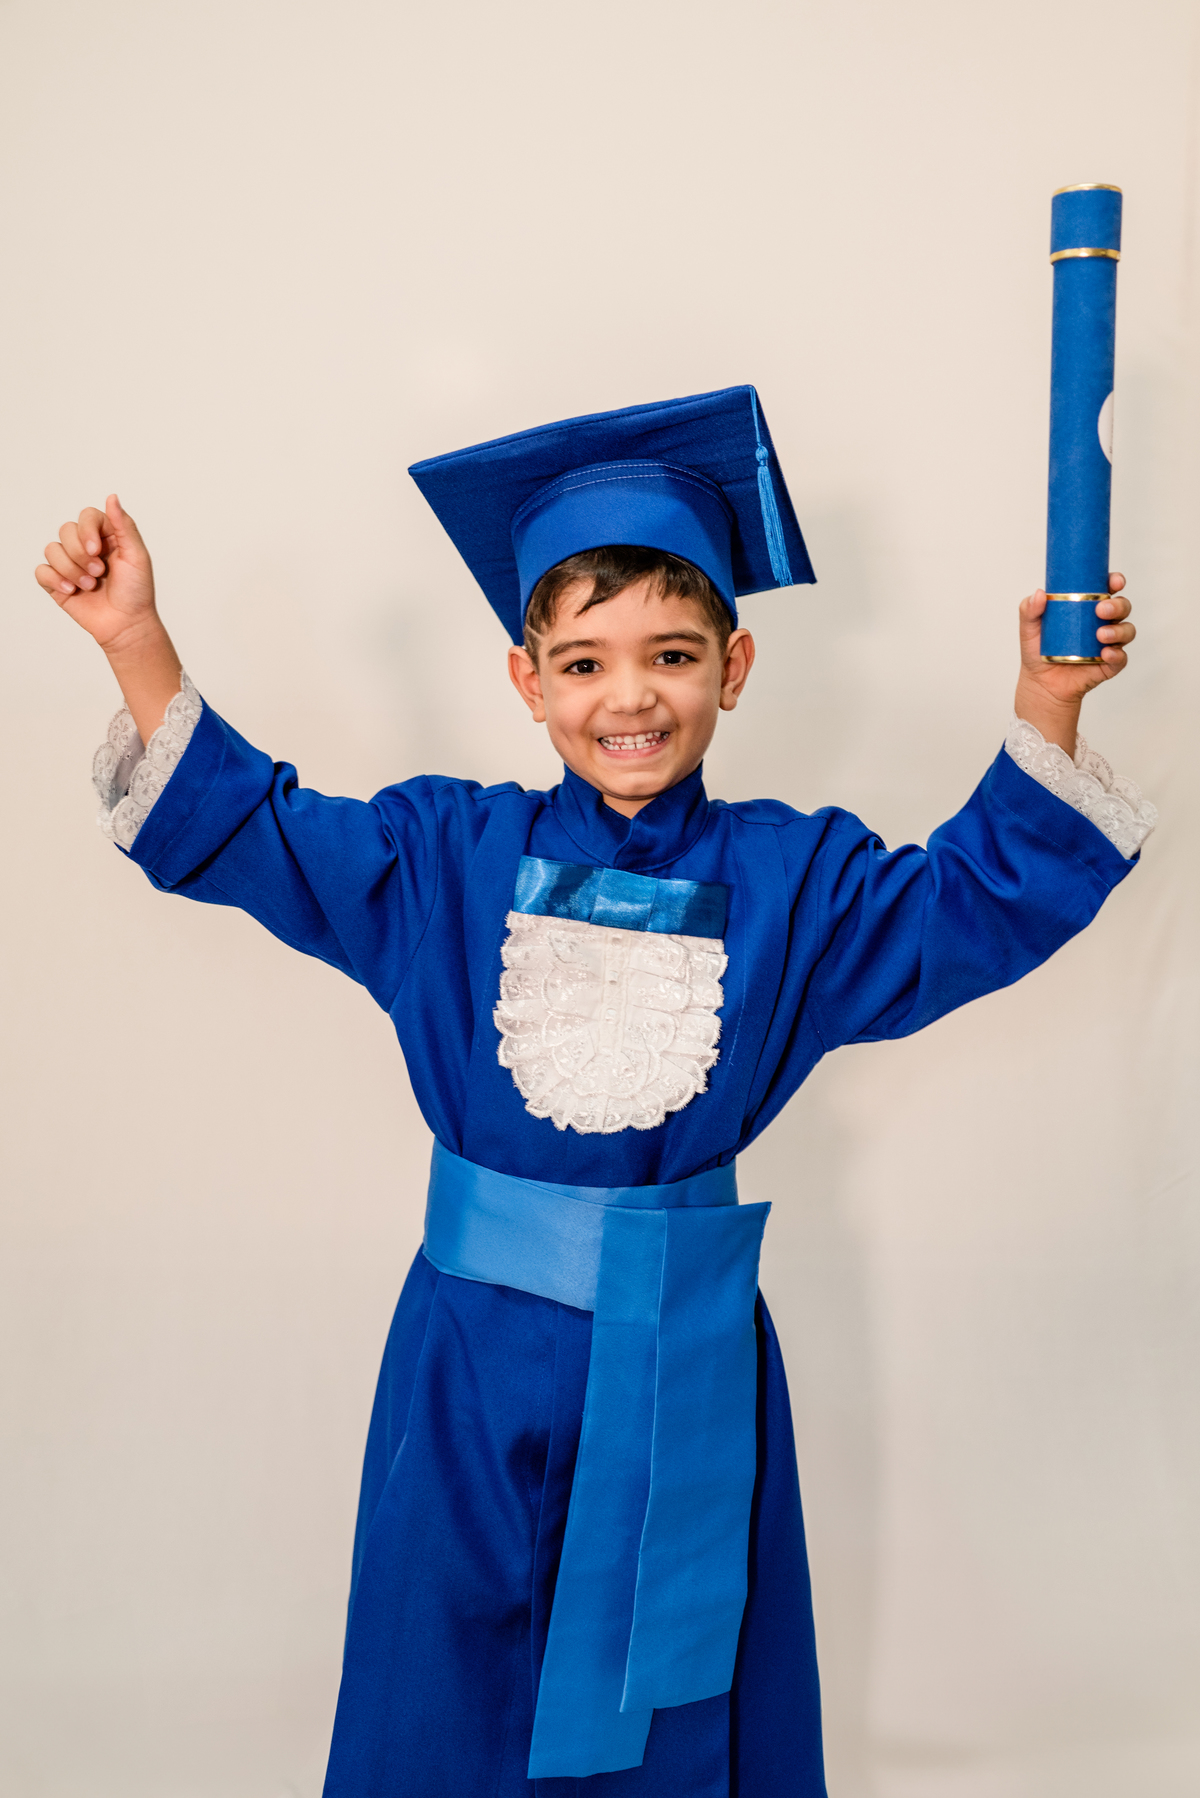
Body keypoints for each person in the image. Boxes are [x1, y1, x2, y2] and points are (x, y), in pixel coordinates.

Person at [36, 386, 1152, 1798]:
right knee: (444, 1680)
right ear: (528, 680)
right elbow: (264, 833)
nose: (629, 699)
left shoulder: (796, 881)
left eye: (671, 656)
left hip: (686, 1358)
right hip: (467, 1363)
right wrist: (135, 638)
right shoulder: (442, 855)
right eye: (583, 663)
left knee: (672, 1702)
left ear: (735, 666)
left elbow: (963, 906)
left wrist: (1049, 698)